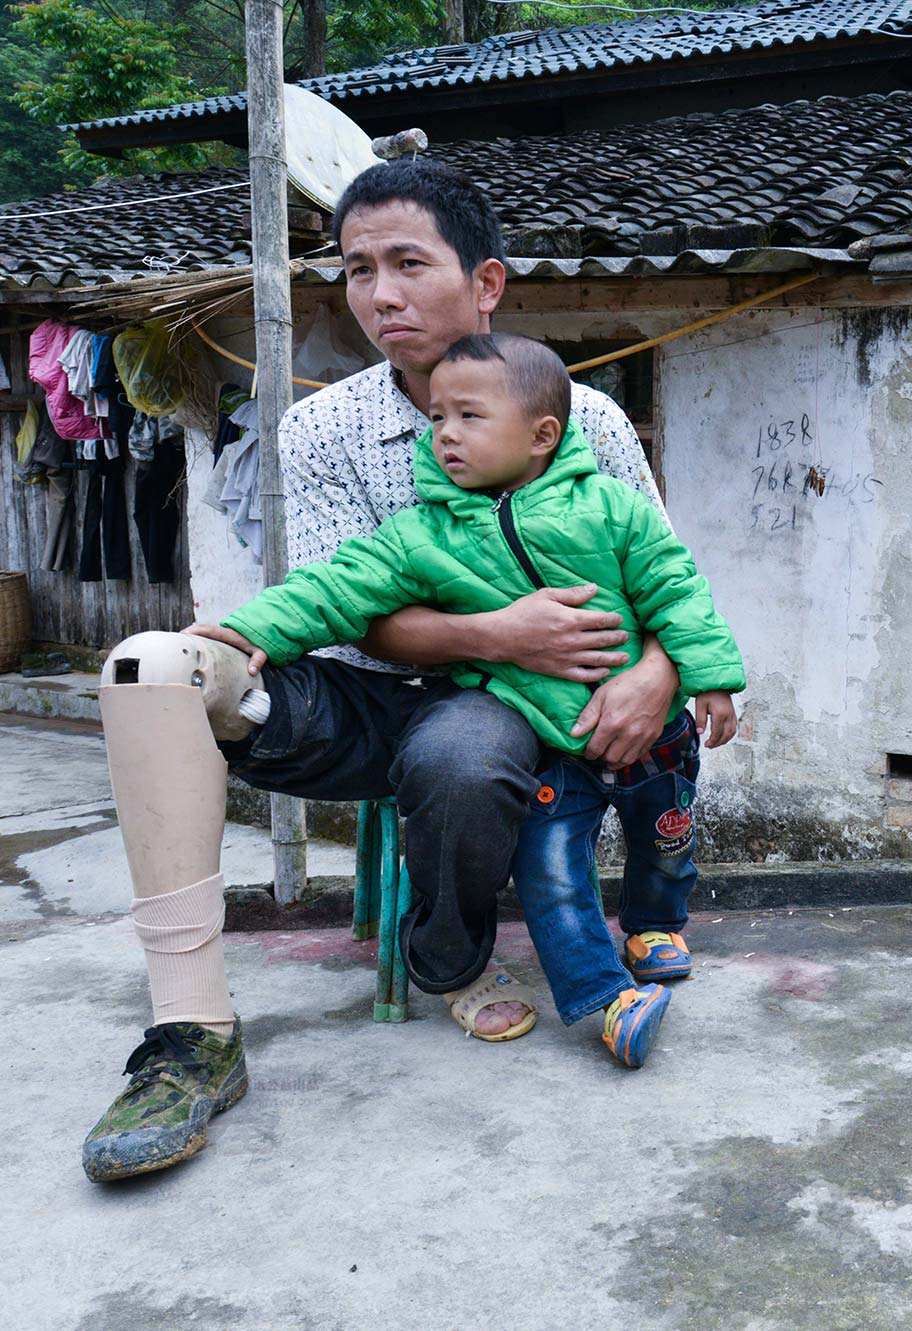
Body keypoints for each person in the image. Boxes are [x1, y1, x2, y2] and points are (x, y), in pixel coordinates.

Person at [83, 159, 690, 1182]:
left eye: (409, 262)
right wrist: (502, 633)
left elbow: (665, 569)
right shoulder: (322, 424)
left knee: (472, 750)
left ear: (485, 282)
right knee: (149, 669)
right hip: (375, 691)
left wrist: (660, 675)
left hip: (541, 702)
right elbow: (349, 611)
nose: (380, 294)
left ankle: (471, 947)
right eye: (359, 269)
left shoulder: (580, 419)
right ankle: (190, 1032)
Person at [192, 331, 744, 1068]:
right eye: (438, 419)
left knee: (666, 843)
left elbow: (676, 586)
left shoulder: (611, 508)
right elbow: (337, 587)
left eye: (469, 417)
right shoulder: (423, 534)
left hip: (656, 734)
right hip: (554, 745)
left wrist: (707, 674)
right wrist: (250, 627)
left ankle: (656, 924)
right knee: (550, 872)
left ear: (542, 434)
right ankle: (609, 1000)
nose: (445, 433)